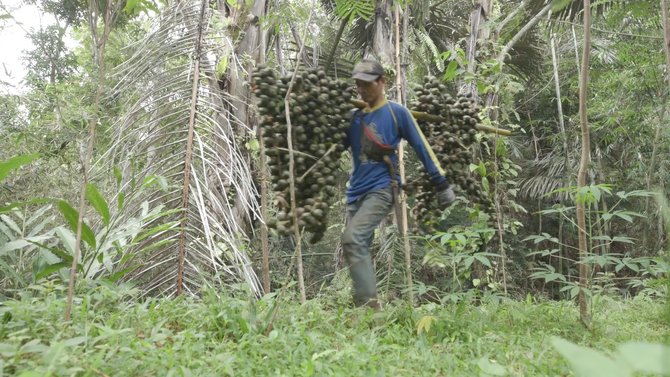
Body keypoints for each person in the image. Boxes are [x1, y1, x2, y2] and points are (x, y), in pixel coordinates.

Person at [342, 59, 456, 310]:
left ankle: (370, 307)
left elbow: (421, 146)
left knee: (353, 239)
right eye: (358, 85)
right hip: (355, 193)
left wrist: (441, 182)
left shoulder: (396, 113)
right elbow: (329, 147)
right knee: (356, 244)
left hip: (381, 189)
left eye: (367, 84)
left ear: (382, 82)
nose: (362, 90)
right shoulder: (355, 119)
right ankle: (364, 303)